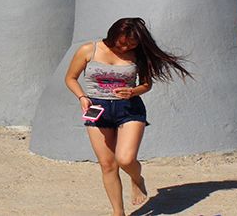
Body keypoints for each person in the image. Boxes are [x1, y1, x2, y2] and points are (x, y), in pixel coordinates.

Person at [65, 18, 191, 213]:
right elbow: (70, 78)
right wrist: (82, 96)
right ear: (113, 34)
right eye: (122, 42)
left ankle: (137, 178)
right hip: (97, 109)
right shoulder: (89, 49)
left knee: (125, 159)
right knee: (108, 165)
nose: (125, 47)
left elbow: (146, 85)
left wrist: (133, 91)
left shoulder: (138, 55)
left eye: (132, 44)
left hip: (129, 108)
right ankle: (118, 212)